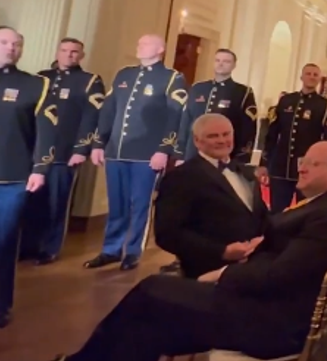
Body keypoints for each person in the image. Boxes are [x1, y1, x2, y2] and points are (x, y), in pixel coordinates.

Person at [0, 141, 327, 361]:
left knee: (151, 291)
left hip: (271, 323)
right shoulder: (321, 205)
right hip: (257, 307)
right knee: (141, 334)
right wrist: (255, 248)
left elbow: (279, 276)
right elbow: (281, 258)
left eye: (311, 163)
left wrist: (223, 273)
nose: (301, 165)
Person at [0, 27, 58, 329]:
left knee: (0, 246)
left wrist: (40, 168)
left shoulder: (35, 85)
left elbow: (47, 130)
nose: (11, 48)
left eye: (17, 44)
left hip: (6, 181)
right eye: (4, 42)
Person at [86, 34, 187, 271]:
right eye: (139, 42)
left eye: (146, 43)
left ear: (160, 49)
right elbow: (109, 109)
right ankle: (111, 249)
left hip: (147, 154)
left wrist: (164, 149)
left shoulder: (172, 78)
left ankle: (132, 251)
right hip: (117, 151)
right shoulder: (124, 74)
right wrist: (99, 142)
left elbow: (175, 115)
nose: (139, 46)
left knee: (139, 204)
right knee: (117, 203)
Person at [20, 37, 105, 265]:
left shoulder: (89, 81)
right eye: (65, 50)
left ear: (81, 56)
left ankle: (49, 248)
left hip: (64, 152)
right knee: (31, 202)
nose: (69, 55)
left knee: (56, 203)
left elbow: (92, 116)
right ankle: (27, 246)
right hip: (34, 152)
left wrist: (82, 148)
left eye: (74, 51)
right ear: (58, 52)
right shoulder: (41, 78)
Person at [154, 114, 266, 279]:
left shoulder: (246, 173)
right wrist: (222, 252)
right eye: (213, 136)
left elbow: (260, 218)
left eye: (226, 134)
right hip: (205, 273)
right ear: (197, 140)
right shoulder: (181, 177)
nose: (221, 140)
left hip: (251, 269)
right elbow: (167, 233)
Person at [257, 63, 327, 214]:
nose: (312, 77)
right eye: (308, 73)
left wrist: (323, 167)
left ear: (319, 79)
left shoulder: (326, 105)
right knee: (277, 213)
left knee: (305, 213)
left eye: (315, 75)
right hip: (281, 167)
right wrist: (264, 163)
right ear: (301, 77)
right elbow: (272, 135)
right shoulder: (286, 100)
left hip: (308, 169)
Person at [175, 48, 258, 165]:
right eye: (217, 60)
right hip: (192, 152)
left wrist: (241, 158)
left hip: (222, 155)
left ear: (234, 65)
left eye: (226, 61)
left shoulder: (242, 92)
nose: (221, 64)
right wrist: (180, 152)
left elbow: (248, 128)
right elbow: (186, 120)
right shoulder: (198, 87)